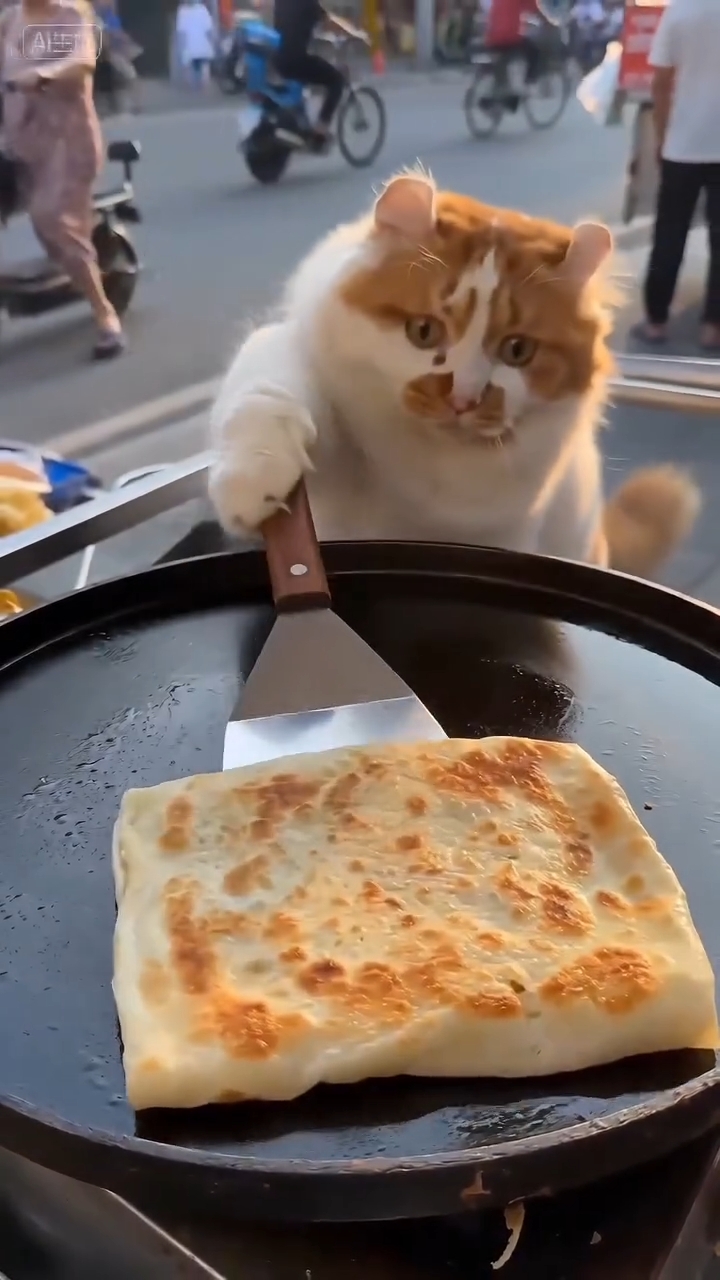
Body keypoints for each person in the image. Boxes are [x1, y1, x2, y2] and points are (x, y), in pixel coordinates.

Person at [0, 0, 125, 357]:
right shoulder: (9, 21)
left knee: (51, 217)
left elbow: (82, 63)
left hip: (68, 145)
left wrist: (42, 76)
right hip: (20, 143)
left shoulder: (70, 14)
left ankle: (104, 314)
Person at [635, 0, 720, 352]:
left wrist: (662, 135)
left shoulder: (679, 12)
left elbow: (661, 83)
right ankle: (713, 327)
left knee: (669, 234)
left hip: (682, 145)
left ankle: (656, 321)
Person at [273, 0, 347, 145]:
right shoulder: (309, 3)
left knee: (306, 76)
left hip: (278, 59)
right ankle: (320, 131)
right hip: (296, 59)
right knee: (337, 80)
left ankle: (302, 123)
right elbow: (329, 23)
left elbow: (291, 26)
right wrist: (354, 33)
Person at [94, 0, 142, 112]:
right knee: (129, 77)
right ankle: (134, 105)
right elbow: (112, 34)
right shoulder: (98, 16)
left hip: (112, 52)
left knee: (129, 77)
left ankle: (134, 105)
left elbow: (116, 33)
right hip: (108, 53)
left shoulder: (109, 16)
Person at [483, 0, 545, 84]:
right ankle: (529, 82)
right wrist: (546, 20)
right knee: (534, 52)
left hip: (492, 38)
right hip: (510, 37)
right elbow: (533, 8)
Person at [175, 0, 216, 89]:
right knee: (201, 68)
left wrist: (181, 47)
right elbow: (209, 29)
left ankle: (195, 87)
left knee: (192, 68)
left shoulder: (182, 11)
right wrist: (212, 42)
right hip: (202, 46)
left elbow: (181, 32)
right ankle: (201, 86)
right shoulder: (202, 9)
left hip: (190, 47)